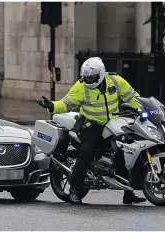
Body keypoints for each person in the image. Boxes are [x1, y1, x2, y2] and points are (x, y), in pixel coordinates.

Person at [36, 57, 146, 205]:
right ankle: (74, 190)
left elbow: (131, 96)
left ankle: (128, 193)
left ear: (101, 75)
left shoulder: (115, 81)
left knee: (124, 151)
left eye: (91, 78)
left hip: (114, 123)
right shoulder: (80, 86)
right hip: (91, 125)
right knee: (87, 154)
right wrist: (52, 106)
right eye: (86, 77)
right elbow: (66, 104)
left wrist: (142, 109)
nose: (88, 80)